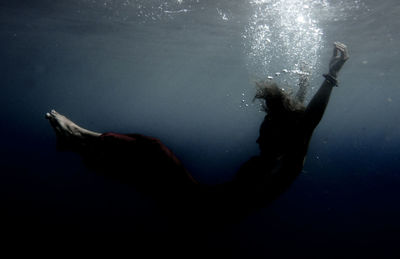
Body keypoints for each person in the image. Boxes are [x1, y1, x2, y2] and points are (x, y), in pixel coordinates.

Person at [46, 42, 349, 221]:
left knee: (151, 151)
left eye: (265, 135)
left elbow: (307, 123)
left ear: (282, 139)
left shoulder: (289, 164)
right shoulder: (283, 151)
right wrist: (304, 84)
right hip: (202, 206)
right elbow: (297, 120)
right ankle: (77, 141)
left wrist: (331, 76)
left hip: (205, 211)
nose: (257, 139)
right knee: (142, 166)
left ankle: (78, 138)